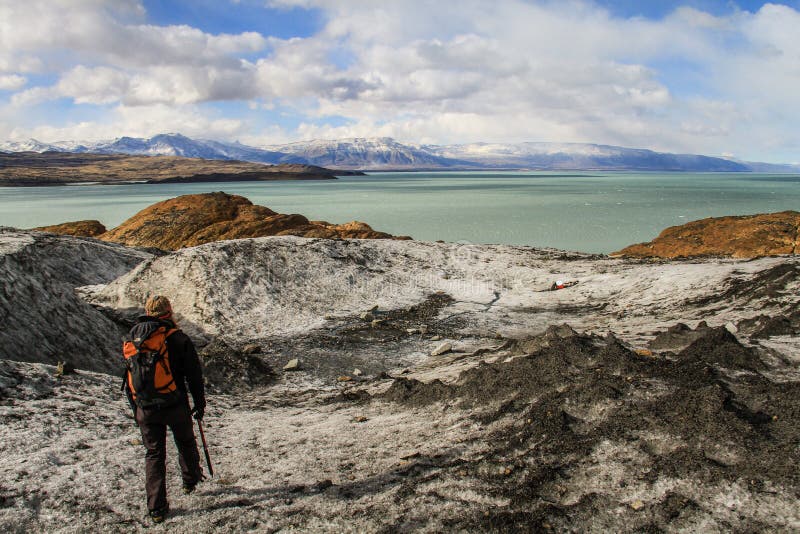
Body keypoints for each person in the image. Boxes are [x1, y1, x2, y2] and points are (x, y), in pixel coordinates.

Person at [123, 295, 206, 524]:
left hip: (145, 407)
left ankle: (156, 507)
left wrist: (136, 409)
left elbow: (129, 377)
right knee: (186, 441)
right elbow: (194, 375)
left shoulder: (134, 339)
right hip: (175, 402)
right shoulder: (177, 338)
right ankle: (190, 481)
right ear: (169, 311)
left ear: (147, 311)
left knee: (154, 454)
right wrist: (199, 403)